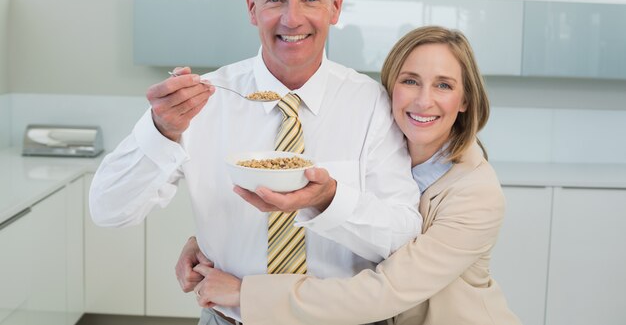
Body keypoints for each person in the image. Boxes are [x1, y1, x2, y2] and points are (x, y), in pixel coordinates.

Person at [89, 0, 422, 325]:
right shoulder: (202, 100)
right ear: (251, 6)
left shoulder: (372, 104)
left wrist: (328, 199)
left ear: (335, 5)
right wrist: (162, 130)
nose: (292, 18)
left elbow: (403, 236)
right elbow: (107, 210)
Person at [181, 26, 523, 325]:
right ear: (390, 88)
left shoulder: (476, 194)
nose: (423, 100)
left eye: (444, 85)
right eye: (410, 81)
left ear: (465, 100)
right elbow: (353, 229)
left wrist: (245, 294)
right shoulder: (379, 151)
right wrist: (214, 244)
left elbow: (384, 290)